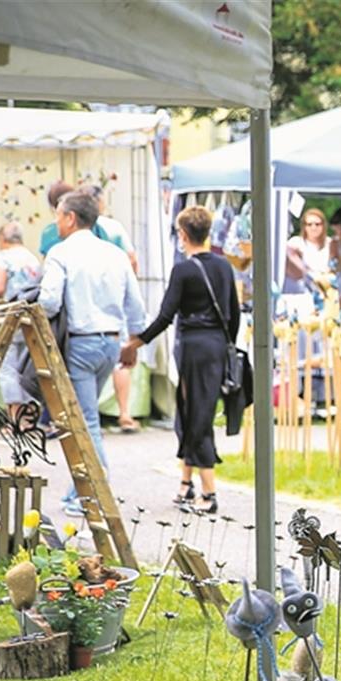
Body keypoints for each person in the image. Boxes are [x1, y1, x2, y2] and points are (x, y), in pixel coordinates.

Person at [120, 206, 239, 514]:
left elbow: (165, 316)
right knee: (190, 411)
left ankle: (209, 492)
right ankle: (186, 484)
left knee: (197, 415)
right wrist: (227, 346)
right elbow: (234, 314)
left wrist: (136, 342)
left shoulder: (183, 270)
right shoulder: (225, 267)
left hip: (192, 346)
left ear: (183, 235)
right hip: (215, 346)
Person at [39, 192, 147, 517]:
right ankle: (80, 492)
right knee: (86, 419)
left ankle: (94, 492)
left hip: (81, 343)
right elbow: (136, 307)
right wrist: (133, 343)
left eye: (59, 215)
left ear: (71, 218)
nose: (56, 221)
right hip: (111, 343)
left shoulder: (60, 253)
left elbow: (49, 303)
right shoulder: (115, 254)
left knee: (85, 422)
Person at [82, 184, 144, 434]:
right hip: (114, 299)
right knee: (121, 359)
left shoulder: (76, 233)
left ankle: (89, 417)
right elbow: (132, 260)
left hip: (87, 302)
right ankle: (125, 413)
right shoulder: (114, 228)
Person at [0, 222, 42, 416]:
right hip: (28, 318)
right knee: (26, 364)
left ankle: (14, 415)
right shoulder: (32, 258)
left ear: (2, 239)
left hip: (8, 316)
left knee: (8, 366)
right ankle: (29, 415)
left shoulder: (3, 257)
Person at [285, 208, 332, 295]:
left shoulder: (331, 243)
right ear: (304, 226)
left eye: (317, 224)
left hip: (325, 288)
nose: (313, 227)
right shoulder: (295, 242)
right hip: (301, 291)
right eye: (309, 224)